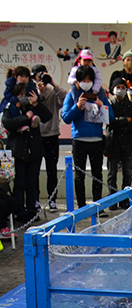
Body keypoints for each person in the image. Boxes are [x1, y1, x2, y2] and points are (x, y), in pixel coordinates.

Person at [62, 66, 115, 212]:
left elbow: (111, 117)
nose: (86, 82)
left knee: (97, 174)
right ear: (77, 81)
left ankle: (97, 206)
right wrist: (77, 106)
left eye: (89, 80)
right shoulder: (72, 94)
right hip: (79, 140)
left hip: (97, 140)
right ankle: (81, 207)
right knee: (79, 175)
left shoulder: (99, 94)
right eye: (83, 80)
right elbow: (66, 118)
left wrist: (102, 106)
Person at [2, 77, 52, 222]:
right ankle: (20, 211)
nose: (24, 98)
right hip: (18, 151)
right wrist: (25, 118)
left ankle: (32, 210)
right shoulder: (10, 107)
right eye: (21, 94)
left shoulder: (34, 106)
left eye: (27, 94)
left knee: (32, 183)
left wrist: (36, 103)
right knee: (19, 183)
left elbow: (47, 116)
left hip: (34, 150)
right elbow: (8, 123)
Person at [32, 64, 67, 213]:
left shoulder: (53, 92)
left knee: (52, 169)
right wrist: (39, 93)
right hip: (36, 136)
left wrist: (52, 83)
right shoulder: (32, 92)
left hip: (52, 135)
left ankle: (52, 199)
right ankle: (35, 198)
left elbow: (65, 97)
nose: (41, 78)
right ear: (34, 77)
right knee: (34, 170)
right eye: (38, 75)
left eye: (44, 75)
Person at [105, 78, 132, 210]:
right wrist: (125, 120)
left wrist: (120, 122)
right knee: (111, 173)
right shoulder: (109, 105)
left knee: (127, 173)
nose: (120, 89)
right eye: (117, 87)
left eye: (123, 87)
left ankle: (125, 201)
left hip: (128, 142)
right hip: (112, 142)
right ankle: (112, 200)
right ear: (113, 89)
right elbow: (110, 122)